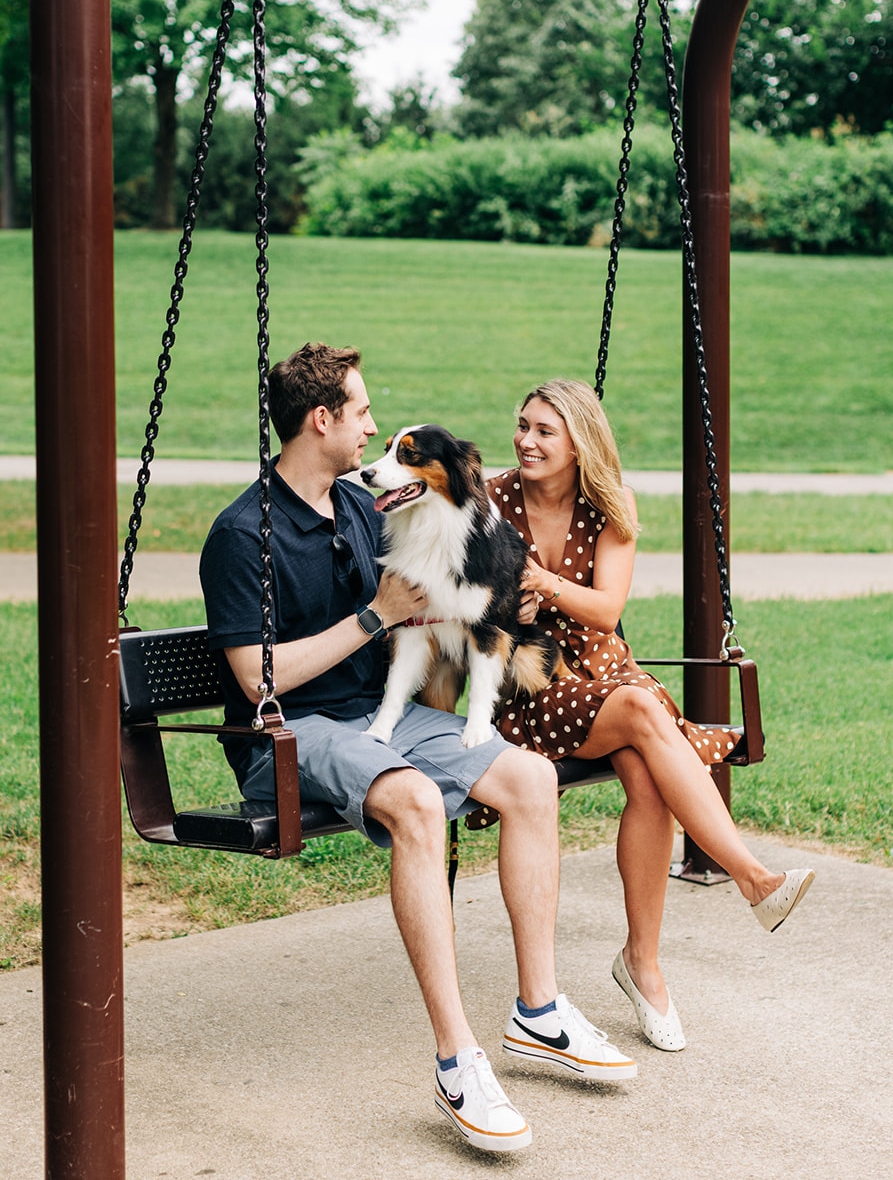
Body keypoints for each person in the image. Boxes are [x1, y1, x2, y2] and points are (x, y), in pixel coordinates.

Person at [200, 345, 637, 1155]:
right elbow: (260, 678)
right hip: (290, 733)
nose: (371, 426)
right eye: (361, 412)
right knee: (413, 801)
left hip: (380, 714)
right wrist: (374, 615)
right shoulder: (242, 534)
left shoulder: (365, 509)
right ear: (320, 420)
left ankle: (537, 1012)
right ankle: (455, 1057)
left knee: (530, 778)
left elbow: (447, 561)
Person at [486, 378, 814, 1054]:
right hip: (530, 685)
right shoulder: (491, 502)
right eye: (522, 425)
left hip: (603, 672)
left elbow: (606, 610)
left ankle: (642, 960)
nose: (525, 439)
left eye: (544, 430)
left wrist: (544, 584)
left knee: (644, 766)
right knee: (640, 711)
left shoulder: (609, 504)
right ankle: (751, 880)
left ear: (579, 442)